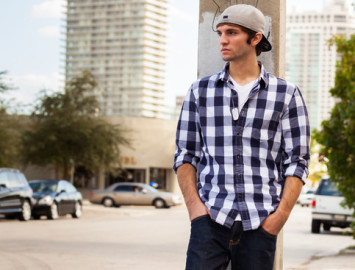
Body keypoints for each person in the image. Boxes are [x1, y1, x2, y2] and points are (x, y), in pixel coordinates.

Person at [173, 4, 310, 270]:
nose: (222, 40)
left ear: (255, 38)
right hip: (210, 220)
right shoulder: (200, 92)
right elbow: (185, 154)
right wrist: (195, 210)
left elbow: (298, 160)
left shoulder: (287, 94)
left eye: (232, 32)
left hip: (260, 222)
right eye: (220, 33)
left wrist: (279, 217)